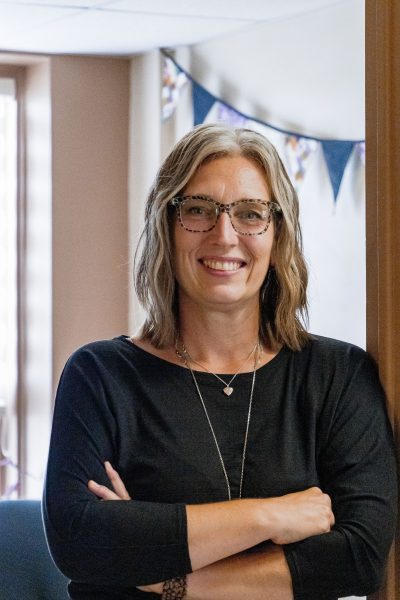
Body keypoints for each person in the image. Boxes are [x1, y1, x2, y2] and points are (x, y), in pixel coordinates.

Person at [43, 123, 397, 600]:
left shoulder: (338, 376)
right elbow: (80, 541)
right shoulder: (101, 375)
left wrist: (166, 579)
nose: (224, 235)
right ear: (167, 228)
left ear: (278, 236)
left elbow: (359, 558)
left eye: (251, 214)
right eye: (198, 210)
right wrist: (272, 515)